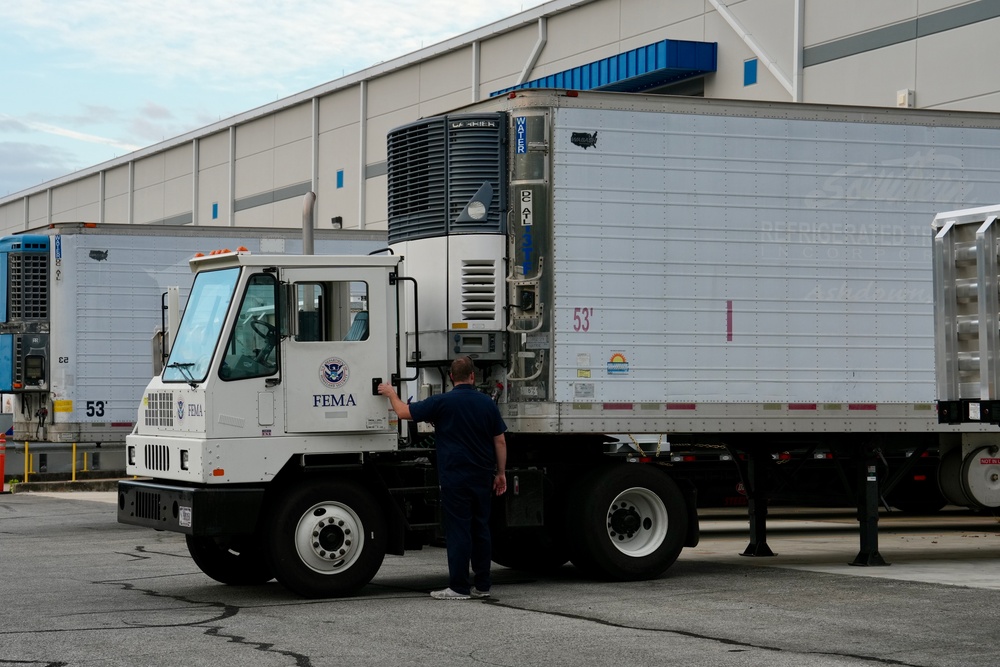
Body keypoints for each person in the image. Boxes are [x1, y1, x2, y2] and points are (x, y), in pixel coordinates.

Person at [378, 356, 507, 600]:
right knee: (481, 529)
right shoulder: (487, 404)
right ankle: (483, 585)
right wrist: (500, 473)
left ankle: (459, 587)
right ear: (472, 377)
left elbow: (404, 412)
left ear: (450, 377)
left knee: (459, 531)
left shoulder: (442, 402)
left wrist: (390, 393)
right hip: (482, 476)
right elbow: (499, 441)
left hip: (455, 477)